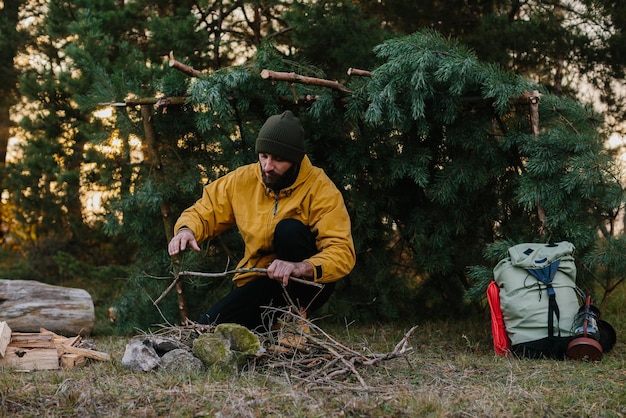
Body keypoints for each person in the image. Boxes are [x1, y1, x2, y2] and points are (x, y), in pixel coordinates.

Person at [168, 110, 356, 330]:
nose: (268, 166)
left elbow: (342, 251)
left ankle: (293, 322)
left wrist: (300, 267)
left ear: (295, 160)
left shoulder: (320, 188)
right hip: (261, 280)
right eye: (264, 156)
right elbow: (206, 209)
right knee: (206, 329)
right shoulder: (243, 180)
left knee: (289, 229)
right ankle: (268, 328)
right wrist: (186, 230)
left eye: (278, 159)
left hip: (308, 282)